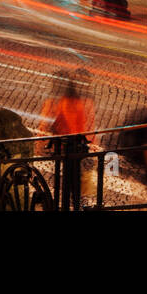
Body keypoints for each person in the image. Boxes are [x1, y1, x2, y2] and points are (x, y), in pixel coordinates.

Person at [40, 78, 95, 208]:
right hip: (78, 144)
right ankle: (75, 201)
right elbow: (82, 123)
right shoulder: (79, 103)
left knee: (69, 178)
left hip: (69, 145)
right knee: (74, 177)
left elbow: (65, 124)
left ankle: (70, 202)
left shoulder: (65, 103)